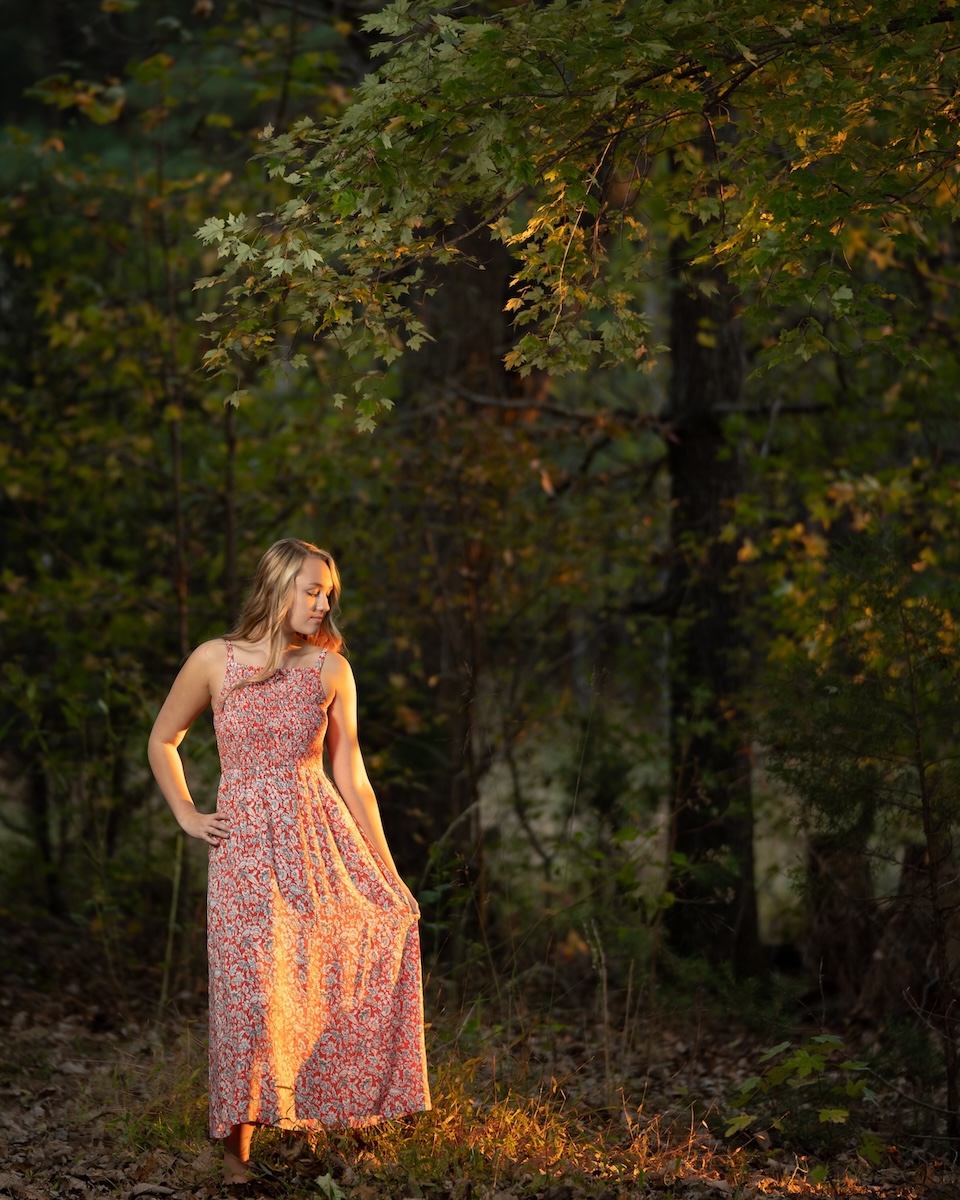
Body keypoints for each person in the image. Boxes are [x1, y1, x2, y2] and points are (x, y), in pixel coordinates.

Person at [148, 538, 431, 1185]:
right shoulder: (214, 660)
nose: (324, 604)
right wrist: (187, 813)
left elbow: (351, 773)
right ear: (277, 588)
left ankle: (342, 1118)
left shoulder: (332, 670)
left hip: (317, 840)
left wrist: (388, 873)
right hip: (244, 851)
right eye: (313, 590)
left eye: (329, 593)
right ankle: (235, 1162)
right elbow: (163, 739)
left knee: (330, 970)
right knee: (248, 994)